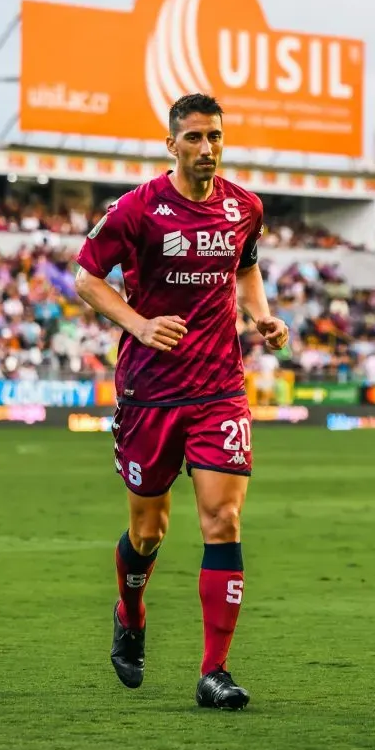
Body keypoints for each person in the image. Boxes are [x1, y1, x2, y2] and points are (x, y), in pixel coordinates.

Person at [74, 93, 288, 710]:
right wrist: (140, 325)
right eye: (193, 137)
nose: (206, 148)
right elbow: (88, 277)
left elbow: (245, 267)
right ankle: (131, 613)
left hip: (220, 388)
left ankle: (214, 672)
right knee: (149, 530)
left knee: (223, 521)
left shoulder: (244, 207)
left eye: (214, 137)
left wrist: (263, 316)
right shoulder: (137, 209)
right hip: (149, 392)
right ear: (172, 143)